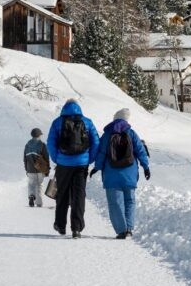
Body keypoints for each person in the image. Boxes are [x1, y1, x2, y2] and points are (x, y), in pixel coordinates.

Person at [91, 108, 150, 239]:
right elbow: (140, 151)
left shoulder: (107, 135)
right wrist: (146, 167)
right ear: (126, 119)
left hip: (111, 175)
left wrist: (97, 167)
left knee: (115, 203)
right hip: (129, 173)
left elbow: (101, 153)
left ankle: (121, 230)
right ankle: (129, 228)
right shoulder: (131, 133)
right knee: (130, 201)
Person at [47, 98, 100, 239]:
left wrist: (56, 158)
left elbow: (50, 143)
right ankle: (76, 228)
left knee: (62, 194)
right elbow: (96, 142)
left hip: (63, 164)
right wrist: (90, 159)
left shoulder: (57, 122)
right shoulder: (87, 122)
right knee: (78, 195)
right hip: (81, 164)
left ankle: (60, 225)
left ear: (64, 108)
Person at [23, 128, 50, 208]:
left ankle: (31, 196)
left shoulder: (27, 145)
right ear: (39, 135)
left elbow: (25, 159)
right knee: (39, 184)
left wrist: (26, 169)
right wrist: (47, 169)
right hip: (40, 169)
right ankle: (39, 203)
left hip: (30, 169)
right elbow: (46, 157)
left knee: (31, 184)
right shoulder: (42, 144)